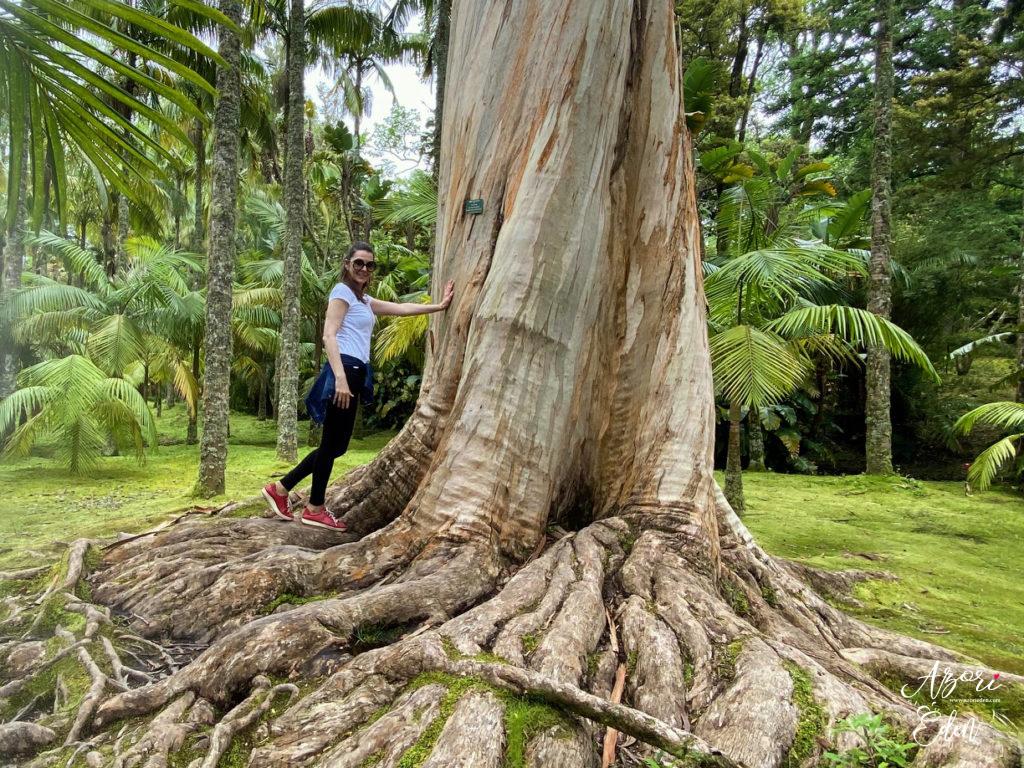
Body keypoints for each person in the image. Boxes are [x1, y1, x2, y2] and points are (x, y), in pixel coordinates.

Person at [262, 241, 454, 531]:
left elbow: (401, 308)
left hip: (354, 372)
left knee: (336, 447)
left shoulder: (363, 300)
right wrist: (339, 379)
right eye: (359, 263)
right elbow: (329, 335)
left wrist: (438, 307)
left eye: (369, 264)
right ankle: (314, 507)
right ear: (347, 264)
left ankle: (281, 489)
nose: (364, 269)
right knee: (330, 445)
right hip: (345, 372)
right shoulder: (341, 293)